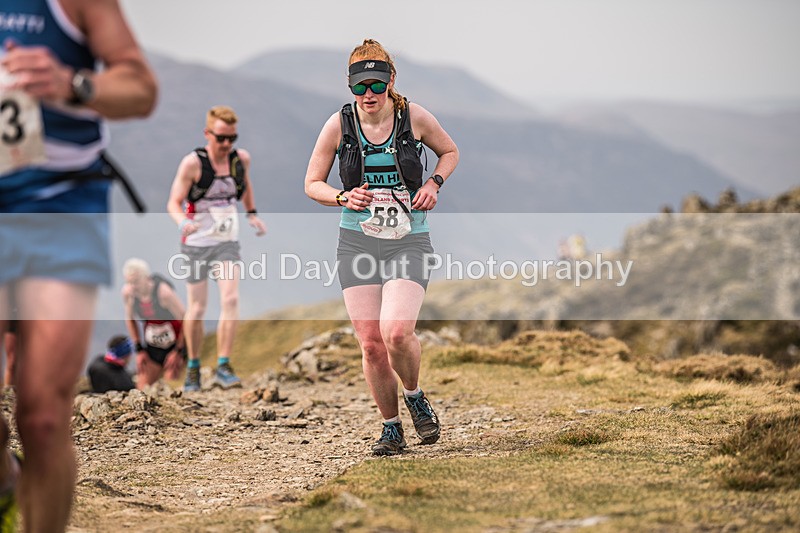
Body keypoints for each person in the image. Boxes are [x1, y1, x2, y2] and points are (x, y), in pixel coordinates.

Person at [0, 0, 157, 530]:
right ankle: (5, 479)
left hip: (60, 207)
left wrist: (74, 84)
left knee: (43, 416)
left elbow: (140, 89)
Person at [304, 39, 459, 456]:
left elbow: (449, 151)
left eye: (375, 85)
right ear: (350, 86)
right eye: (359, 87)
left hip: (409, 238)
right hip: (356, 240)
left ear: (391, 81)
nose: (368, 95)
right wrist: (341, 196)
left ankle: (414, 393)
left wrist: (433, 184)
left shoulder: (416, 118)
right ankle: (391, 427)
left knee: (396, 332)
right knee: (371, 343)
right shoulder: (338, 125)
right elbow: (311, 184)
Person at [166, 105, 266, 392]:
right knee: (196, 308)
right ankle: (194, 367)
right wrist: (182, 222)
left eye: (232, 138)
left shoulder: (239, 160)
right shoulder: (193, 164)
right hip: (196, 243)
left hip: (226, 242)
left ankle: (223, 365)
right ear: (207, 134)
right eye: (221, 138)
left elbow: (245, 187)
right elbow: (173, 202)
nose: (226, 145)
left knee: (231, 299)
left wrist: (252, 214)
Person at [121, 258, 187, 389]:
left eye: (136, 282)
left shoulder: (164, 293)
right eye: (129, 282)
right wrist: (139, 349)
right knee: (141, 389)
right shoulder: (128, 294)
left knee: (170, 388)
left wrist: (178, 351)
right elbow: (130, 319)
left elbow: (187, 321)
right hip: (153, 346)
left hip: (175, 345)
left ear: (147, 278)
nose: (133, 286)